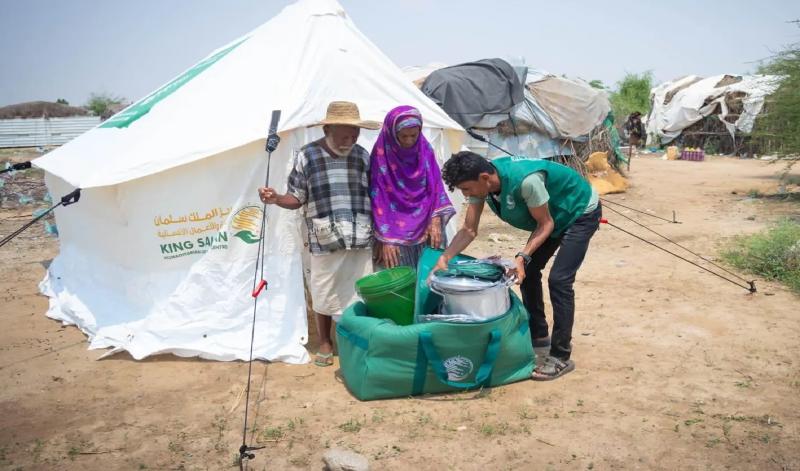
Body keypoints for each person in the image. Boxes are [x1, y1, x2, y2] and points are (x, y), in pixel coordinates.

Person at [434, 151, 601, 380]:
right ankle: (539, 335)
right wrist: (445, 257)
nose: (466, 195)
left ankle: (560, 356)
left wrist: (521, 257)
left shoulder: (527, 182)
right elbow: (469, 229)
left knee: (559, 280)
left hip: (579, 210)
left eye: (467, 189)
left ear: (484, 177)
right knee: (529, 272)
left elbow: (546, 224)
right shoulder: (484, 184)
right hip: (552, 215)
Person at [258, 101, 380, 367]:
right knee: (323, 291)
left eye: (355, 134)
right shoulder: (307, 155)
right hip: (324, 238)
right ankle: (325, 342)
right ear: (327, 129)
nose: (351, 140)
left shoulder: (362, 156)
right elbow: (296, 198)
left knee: (359, 291)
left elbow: (374, 195)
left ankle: (354, 338)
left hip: (359, 236)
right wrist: (276, 198)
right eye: (344, 135)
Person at [370, 105, 456, 268]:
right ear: (392, 134)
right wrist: (386, 238)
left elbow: (436, 186)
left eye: (413, 135)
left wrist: (436, 217)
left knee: (430, 277)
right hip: (393, 230)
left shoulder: (425, 151)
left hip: (427, 225)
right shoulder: (381, 156)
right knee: (398, 284)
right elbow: (378, 198)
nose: (409, 141)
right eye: (403, 136)